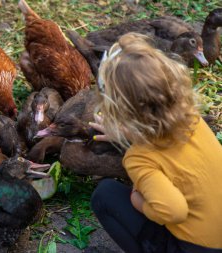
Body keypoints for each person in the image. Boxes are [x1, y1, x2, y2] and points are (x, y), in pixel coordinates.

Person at [89, 32, 222, 253]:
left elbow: (173, 211)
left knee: (105, 195)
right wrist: (126, 132)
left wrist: (138, 202)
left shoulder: (139, 158)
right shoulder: (192, 118)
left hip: (199, 249)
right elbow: (160, 131)